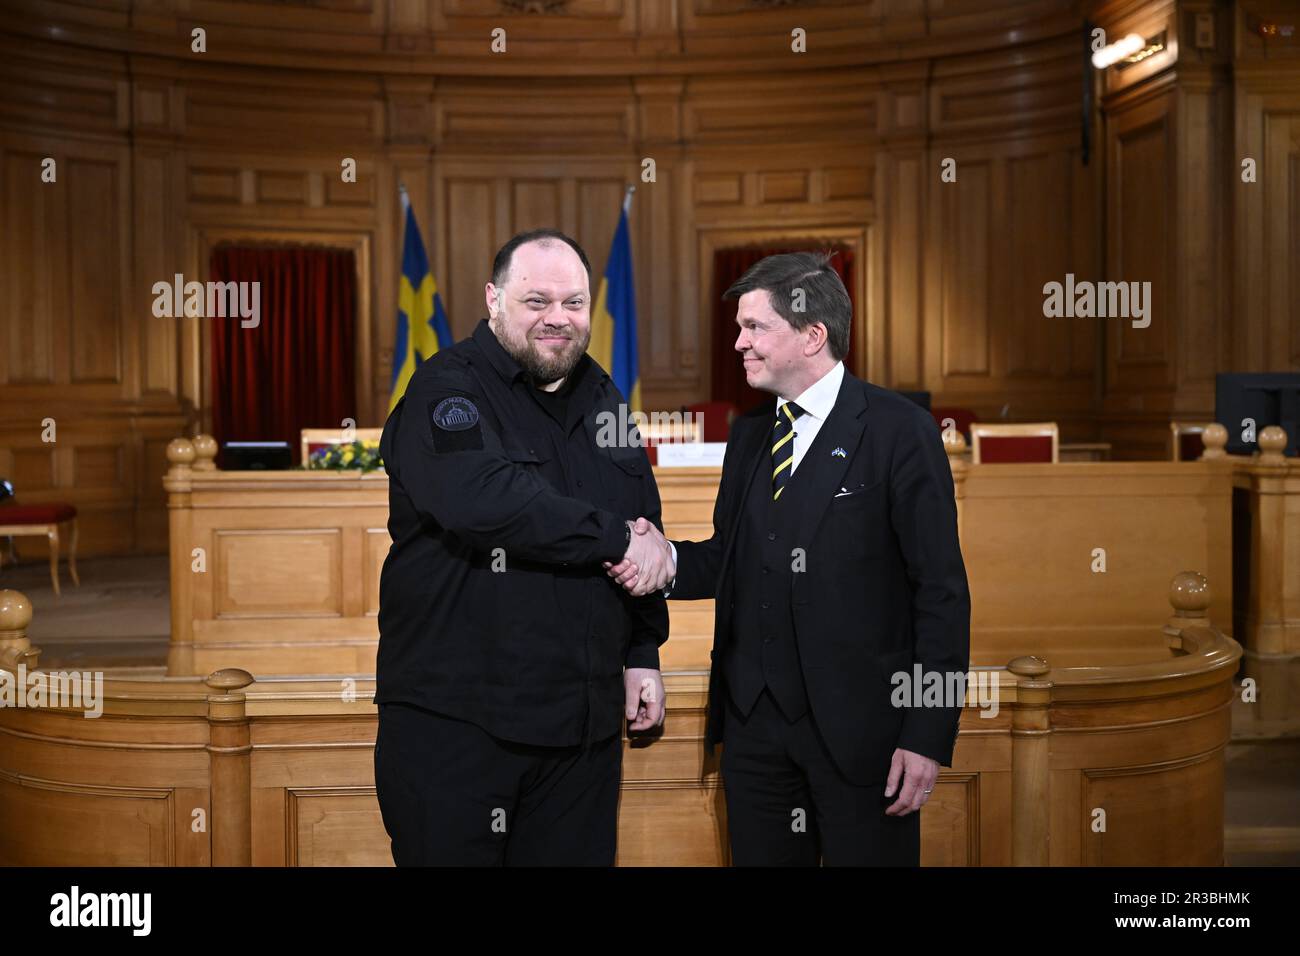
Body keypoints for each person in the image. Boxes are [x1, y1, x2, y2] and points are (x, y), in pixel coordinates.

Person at [607, 251, 970, 865]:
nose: (739, 344)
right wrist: (658, 559)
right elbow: (732, 559)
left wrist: (927, 734)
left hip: (865, 741)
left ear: (812, 334)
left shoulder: (899, 431)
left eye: (755, 328)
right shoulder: (752, 435)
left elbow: (940, 592)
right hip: (753, 735)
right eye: (741, 328)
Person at [375, 228, 671, 865]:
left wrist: (643, 649)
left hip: (581, 731)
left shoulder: (603, 395)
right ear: (493, 298)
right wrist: (616, 537)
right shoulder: (445, 387)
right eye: (536, 301)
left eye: (573, 303)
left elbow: (642, 515)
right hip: (459, 727)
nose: (557, 320)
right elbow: (486, 501)